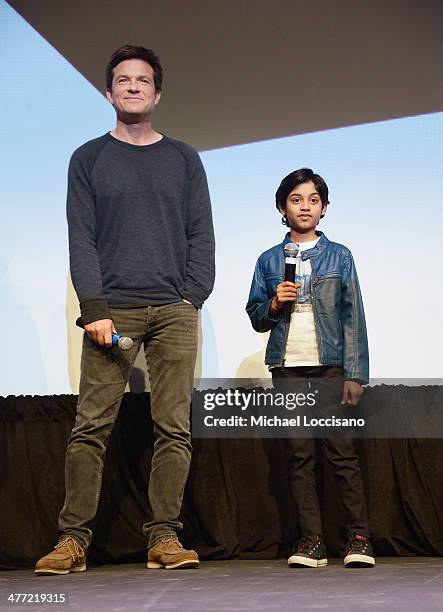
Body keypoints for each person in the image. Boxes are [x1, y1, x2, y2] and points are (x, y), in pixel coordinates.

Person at [35, 45, 215, 574]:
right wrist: (94, 307)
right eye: (122, 79)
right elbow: (81, 239)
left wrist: (191, 296)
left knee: (173, 428)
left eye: (142, 80)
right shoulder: (88, 158)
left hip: (173, 313)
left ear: (156, 93)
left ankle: (164, 537)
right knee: (91, 427)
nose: (133, 86)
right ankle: (72, 540)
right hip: (111, 312)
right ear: (109, 92)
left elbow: (200, 231)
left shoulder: (184, 158)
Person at [246, 168, 375, 568]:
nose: (305, 206)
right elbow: (255, 315)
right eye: (296, 199)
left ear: (324, 208)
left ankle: (358, 538)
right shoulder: (269, 260)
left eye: (313, 199)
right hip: (287, 368)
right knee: (299, 456)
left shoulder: (340, 255)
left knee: (342, 453)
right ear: (282, 208)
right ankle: (312, 540)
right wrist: (272, 304)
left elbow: (353, 317)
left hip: (330, 368)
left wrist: (355, 373)